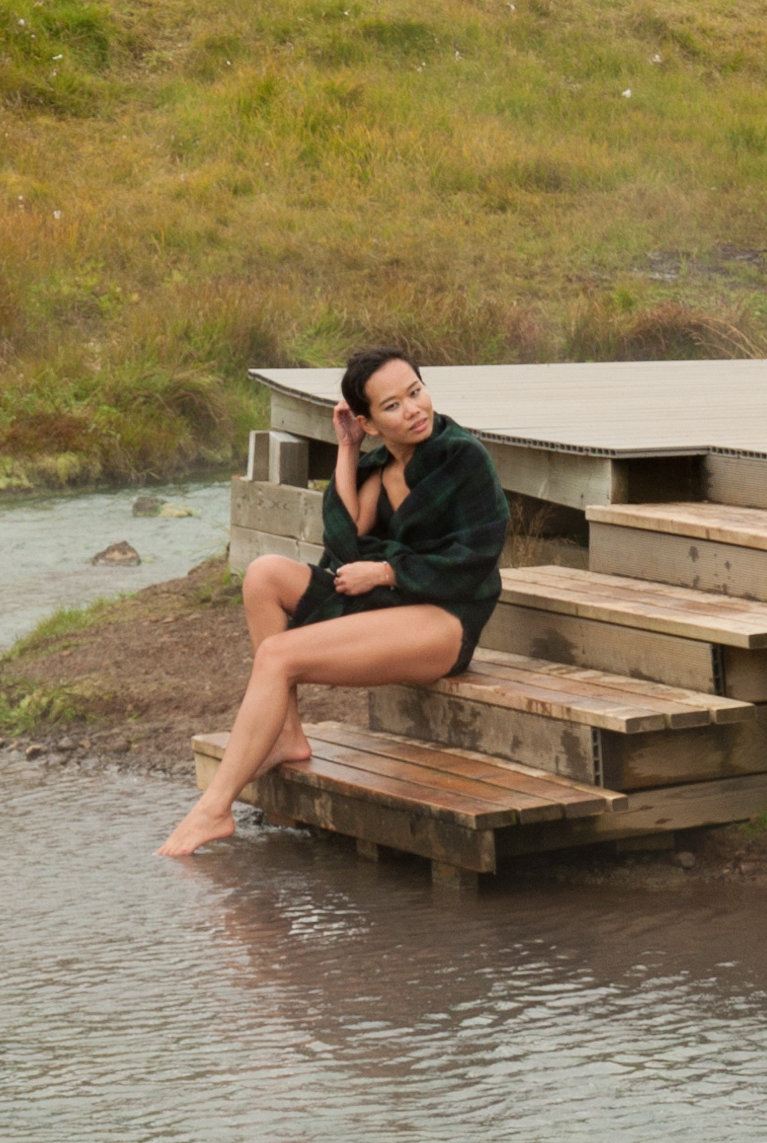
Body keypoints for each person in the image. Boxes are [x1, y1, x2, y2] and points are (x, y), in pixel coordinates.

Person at [160, 347, 510, 858]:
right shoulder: (381, 464)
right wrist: (346, 451)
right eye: (392, 406)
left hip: (446, 619)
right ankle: (287, 735)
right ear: (368, 423)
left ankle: (213, 810)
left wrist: (387, 570)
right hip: (391, 604)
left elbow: (477, 559)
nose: (414, 409)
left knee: (278, 657)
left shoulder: (463, 458)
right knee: (262, 576)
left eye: (416, 392)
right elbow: (346, 543)